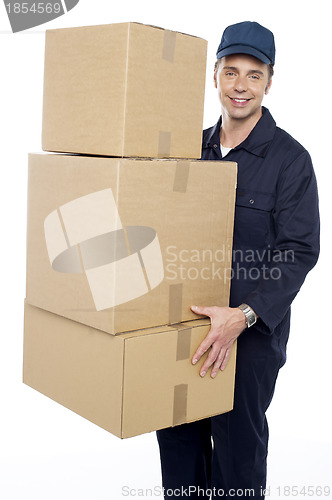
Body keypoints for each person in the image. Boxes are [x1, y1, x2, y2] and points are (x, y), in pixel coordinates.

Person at [156, 21, 320, 499]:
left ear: (270, 81)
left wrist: (241, 317)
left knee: (236, 455)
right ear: (215, 77)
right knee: (179, 444)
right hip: (184, 325)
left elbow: (299, 250)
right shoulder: (188, 150)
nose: (240, 86)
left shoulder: (290, 160)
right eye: (231, 72)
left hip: (248, 337)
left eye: (253, 74)